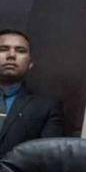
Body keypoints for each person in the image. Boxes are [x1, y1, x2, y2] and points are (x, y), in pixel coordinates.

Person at [0, 29, 64, 158]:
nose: (11, 55)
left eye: (20, 51)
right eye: (3, 49)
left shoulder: (47, 108)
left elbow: (48, 158)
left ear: (30, 63)